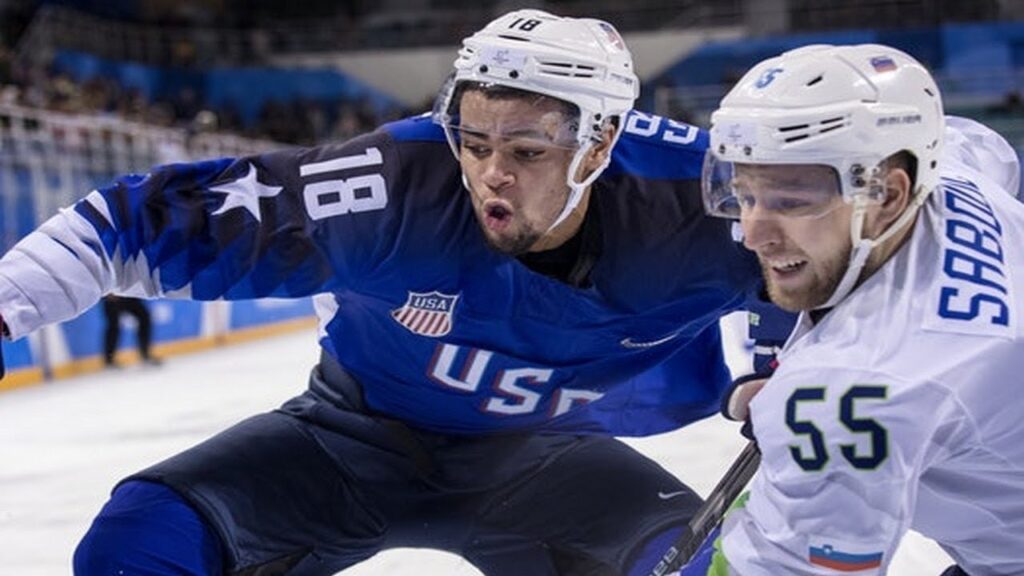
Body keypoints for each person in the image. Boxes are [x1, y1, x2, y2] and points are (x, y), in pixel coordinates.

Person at [0, 10, 785, 575]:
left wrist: (778, 363)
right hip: (347, 443)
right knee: (138, 541)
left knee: (722, 567)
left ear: (603, 141)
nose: (491, 175)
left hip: (548, 459)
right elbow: (136, 221)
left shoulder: (699, 191)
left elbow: (818, 263)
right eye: (474, 143)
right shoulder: (391, 184)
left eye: (526, 148)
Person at [680, 44, 1024, 575]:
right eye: (745, 194)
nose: (752, 235)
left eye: (791, 201)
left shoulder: (857, 391)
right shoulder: (951, 175)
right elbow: (984, 144)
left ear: (889, 194)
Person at [101, 294, 162, 367]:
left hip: (127, 295)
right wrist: (108, 294)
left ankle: (145, 355)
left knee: (144, 317)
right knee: (113, 325)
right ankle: (109, 360)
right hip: (111, 297)